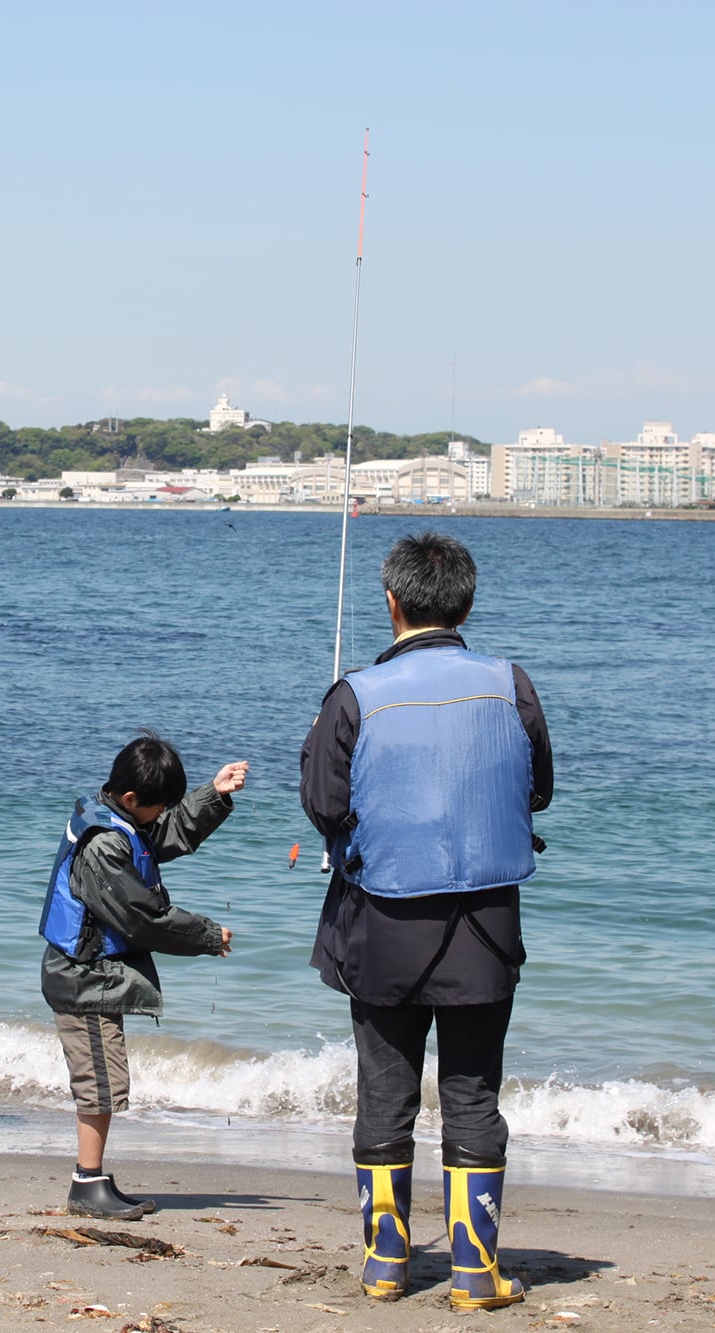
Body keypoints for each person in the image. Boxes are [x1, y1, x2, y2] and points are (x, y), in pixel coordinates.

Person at [300, 532, 552, 1309]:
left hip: (381, 924)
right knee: (473, 1094)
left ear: (392, 602)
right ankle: (475, 1273)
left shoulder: (354, 694)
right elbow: (538, 789)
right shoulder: (510, 684)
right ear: (466, 602)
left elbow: (323, 804)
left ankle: (385, 1265)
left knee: (386, 1094)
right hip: (485, 922)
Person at [40, 733, 246, 1220]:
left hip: (93, 976)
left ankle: (92, 1177)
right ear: (131, 799)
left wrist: (213, 795)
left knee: (105, 1080)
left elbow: (166, 831)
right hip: (82, 978)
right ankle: (86, 1184)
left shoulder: (120, 817)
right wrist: (207, 935)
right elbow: (141, 917)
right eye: (156, 806)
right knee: (100, 1083)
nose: (158, 815)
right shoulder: (104, 843)